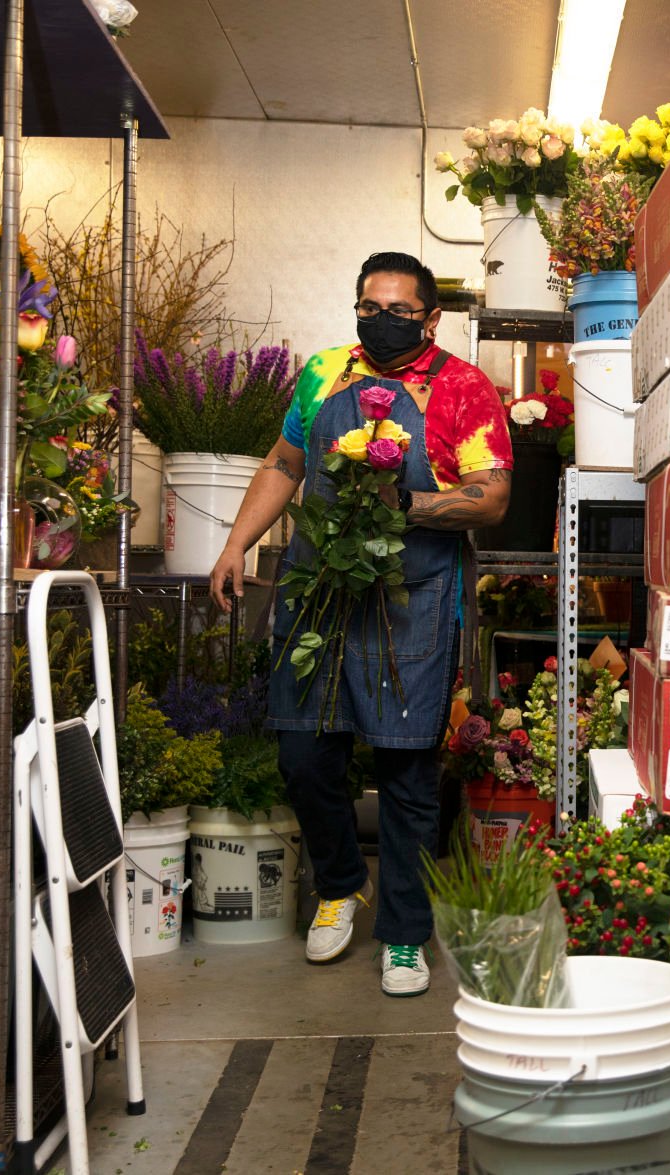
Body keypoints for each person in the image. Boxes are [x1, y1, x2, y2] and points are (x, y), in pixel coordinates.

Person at [209, 251, 512, 996]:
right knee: (303, 756)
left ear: (431, 318)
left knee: (406, 770)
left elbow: (492, 496)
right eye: (368, 307)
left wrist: (403, 506)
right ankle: (341, 884)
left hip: (411, 595)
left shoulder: (462, 390)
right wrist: (235, 542)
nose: (381, 321)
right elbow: (285, 463)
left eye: (399, 312)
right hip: (318, 587)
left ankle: (405, 933)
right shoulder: (321, 374)